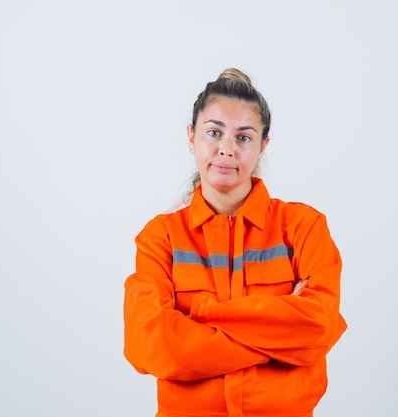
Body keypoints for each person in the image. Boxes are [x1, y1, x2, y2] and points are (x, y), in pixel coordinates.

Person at [123, 68, 347, 417]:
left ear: (263, 146)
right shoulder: (160, 237)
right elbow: (147, 344)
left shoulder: (303, 227)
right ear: (191, 136)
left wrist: (205, 316)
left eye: (244, 137)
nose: (226, 149)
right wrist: (280, 339)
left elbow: (318, 325)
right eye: (214, 132)